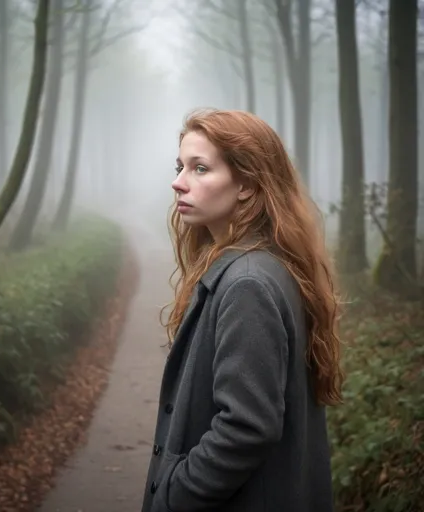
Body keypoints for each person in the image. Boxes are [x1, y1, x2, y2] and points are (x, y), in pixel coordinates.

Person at [140, 108, 344, 512]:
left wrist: (173, 493)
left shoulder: (247, 283)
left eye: (200, 169)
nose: (178, 183)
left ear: (247, 184)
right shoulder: (260, 264)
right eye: (180, 166)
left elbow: (247, 426)